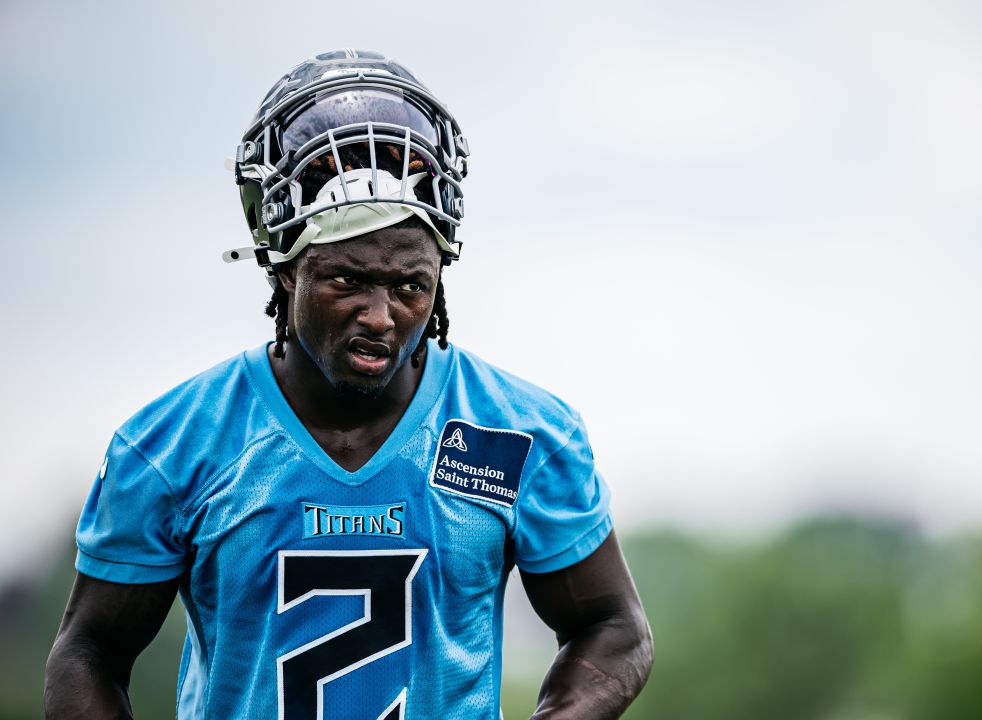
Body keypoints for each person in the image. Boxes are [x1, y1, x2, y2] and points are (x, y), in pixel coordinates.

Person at [44, 49, 652, 719]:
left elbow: (614, 628)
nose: (380, 315)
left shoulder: (516, 433)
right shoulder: (172, 444)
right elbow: (89, 654)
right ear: (285, 270)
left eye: (409, 286)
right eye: (347, 279)